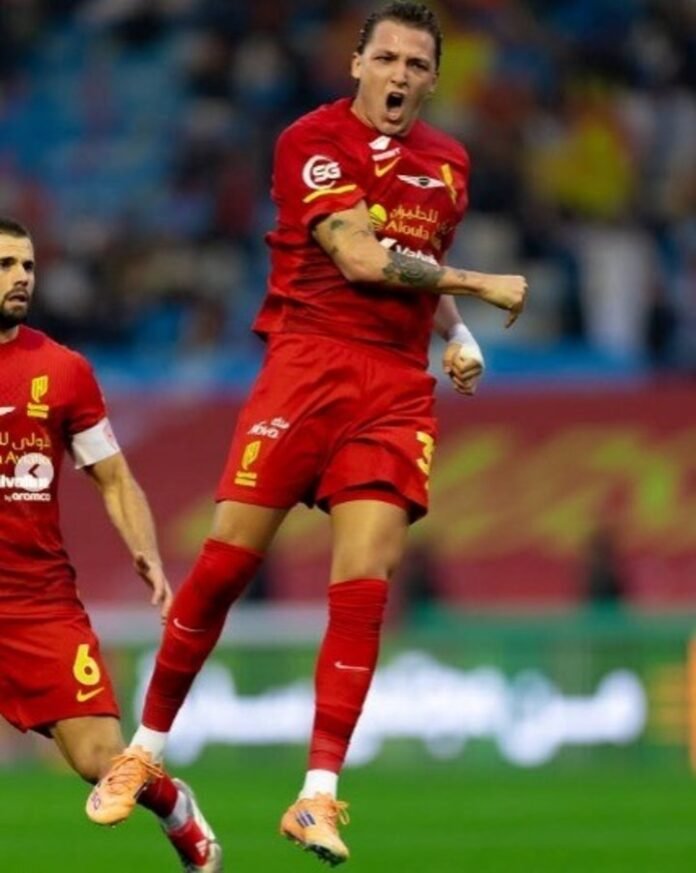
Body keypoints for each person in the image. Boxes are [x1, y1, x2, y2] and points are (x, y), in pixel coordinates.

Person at [87, 2, 527, 866]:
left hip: (394, 388)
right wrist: (483, 287)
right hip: (308, 364)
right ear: (356, 62)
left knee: (365, 580)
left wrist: (457, 332)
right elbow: (361, 257)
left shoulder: (449, 162)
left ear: (434, 79)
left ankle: (317, 795)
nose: (399, 75)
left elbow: (415, 260)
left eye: (416, 64)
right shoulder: (310, 141)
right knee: (227, 564)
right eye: (386, 57)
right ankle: (146, 749)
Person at [0, 217, 222, 873]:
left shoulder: (62, 370)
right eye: (6, 265)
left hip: (35, 604)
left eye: (27, 266)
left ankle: (175, 805)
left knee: (99, 757)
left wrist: (144, 550)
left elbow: (115, 477)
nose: (21, 278)